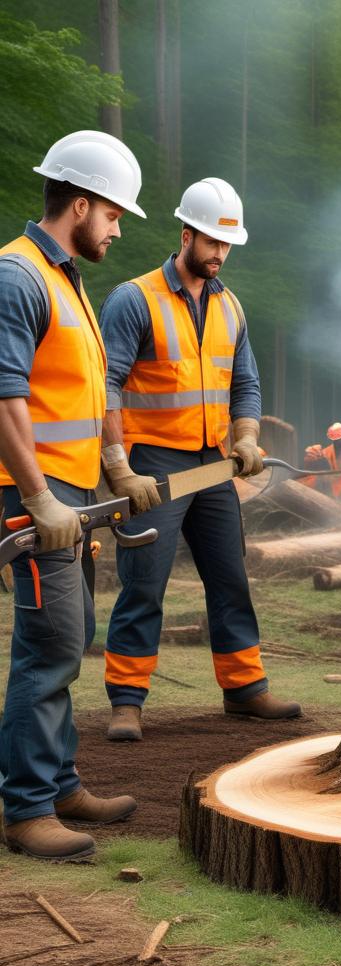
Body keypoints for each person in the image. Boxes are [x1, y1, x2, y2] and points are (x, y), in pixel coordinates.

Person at [100, 177, 301, 742]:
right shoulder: (132, 300)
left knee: (229, 576)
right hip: (152, 465)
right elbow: (106, 386)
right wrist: (119, 467)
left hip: (214, 465)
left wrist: (245, 437)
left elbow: (247, 383)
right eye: (211, 241)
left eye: (227, 244)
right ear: (185, 232)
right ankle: (126, 700)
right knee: (145, 582)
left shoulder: (230, 305)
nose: (219, 254)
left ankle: (244, 688)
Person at [0, 131, 145, 860]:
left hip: (71, 490)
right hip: (35, 496)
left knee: (71, 635)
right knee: (48, 647)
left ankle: (58, 785)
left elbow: (84, 395)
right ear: (80, 203)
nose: (118, 230)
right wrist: (40, 496)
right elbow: (4, 397)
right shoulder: (18, 275)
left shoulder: (67, 280)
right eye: (114, 215)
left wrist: (114, 470)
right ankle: (27, 810)